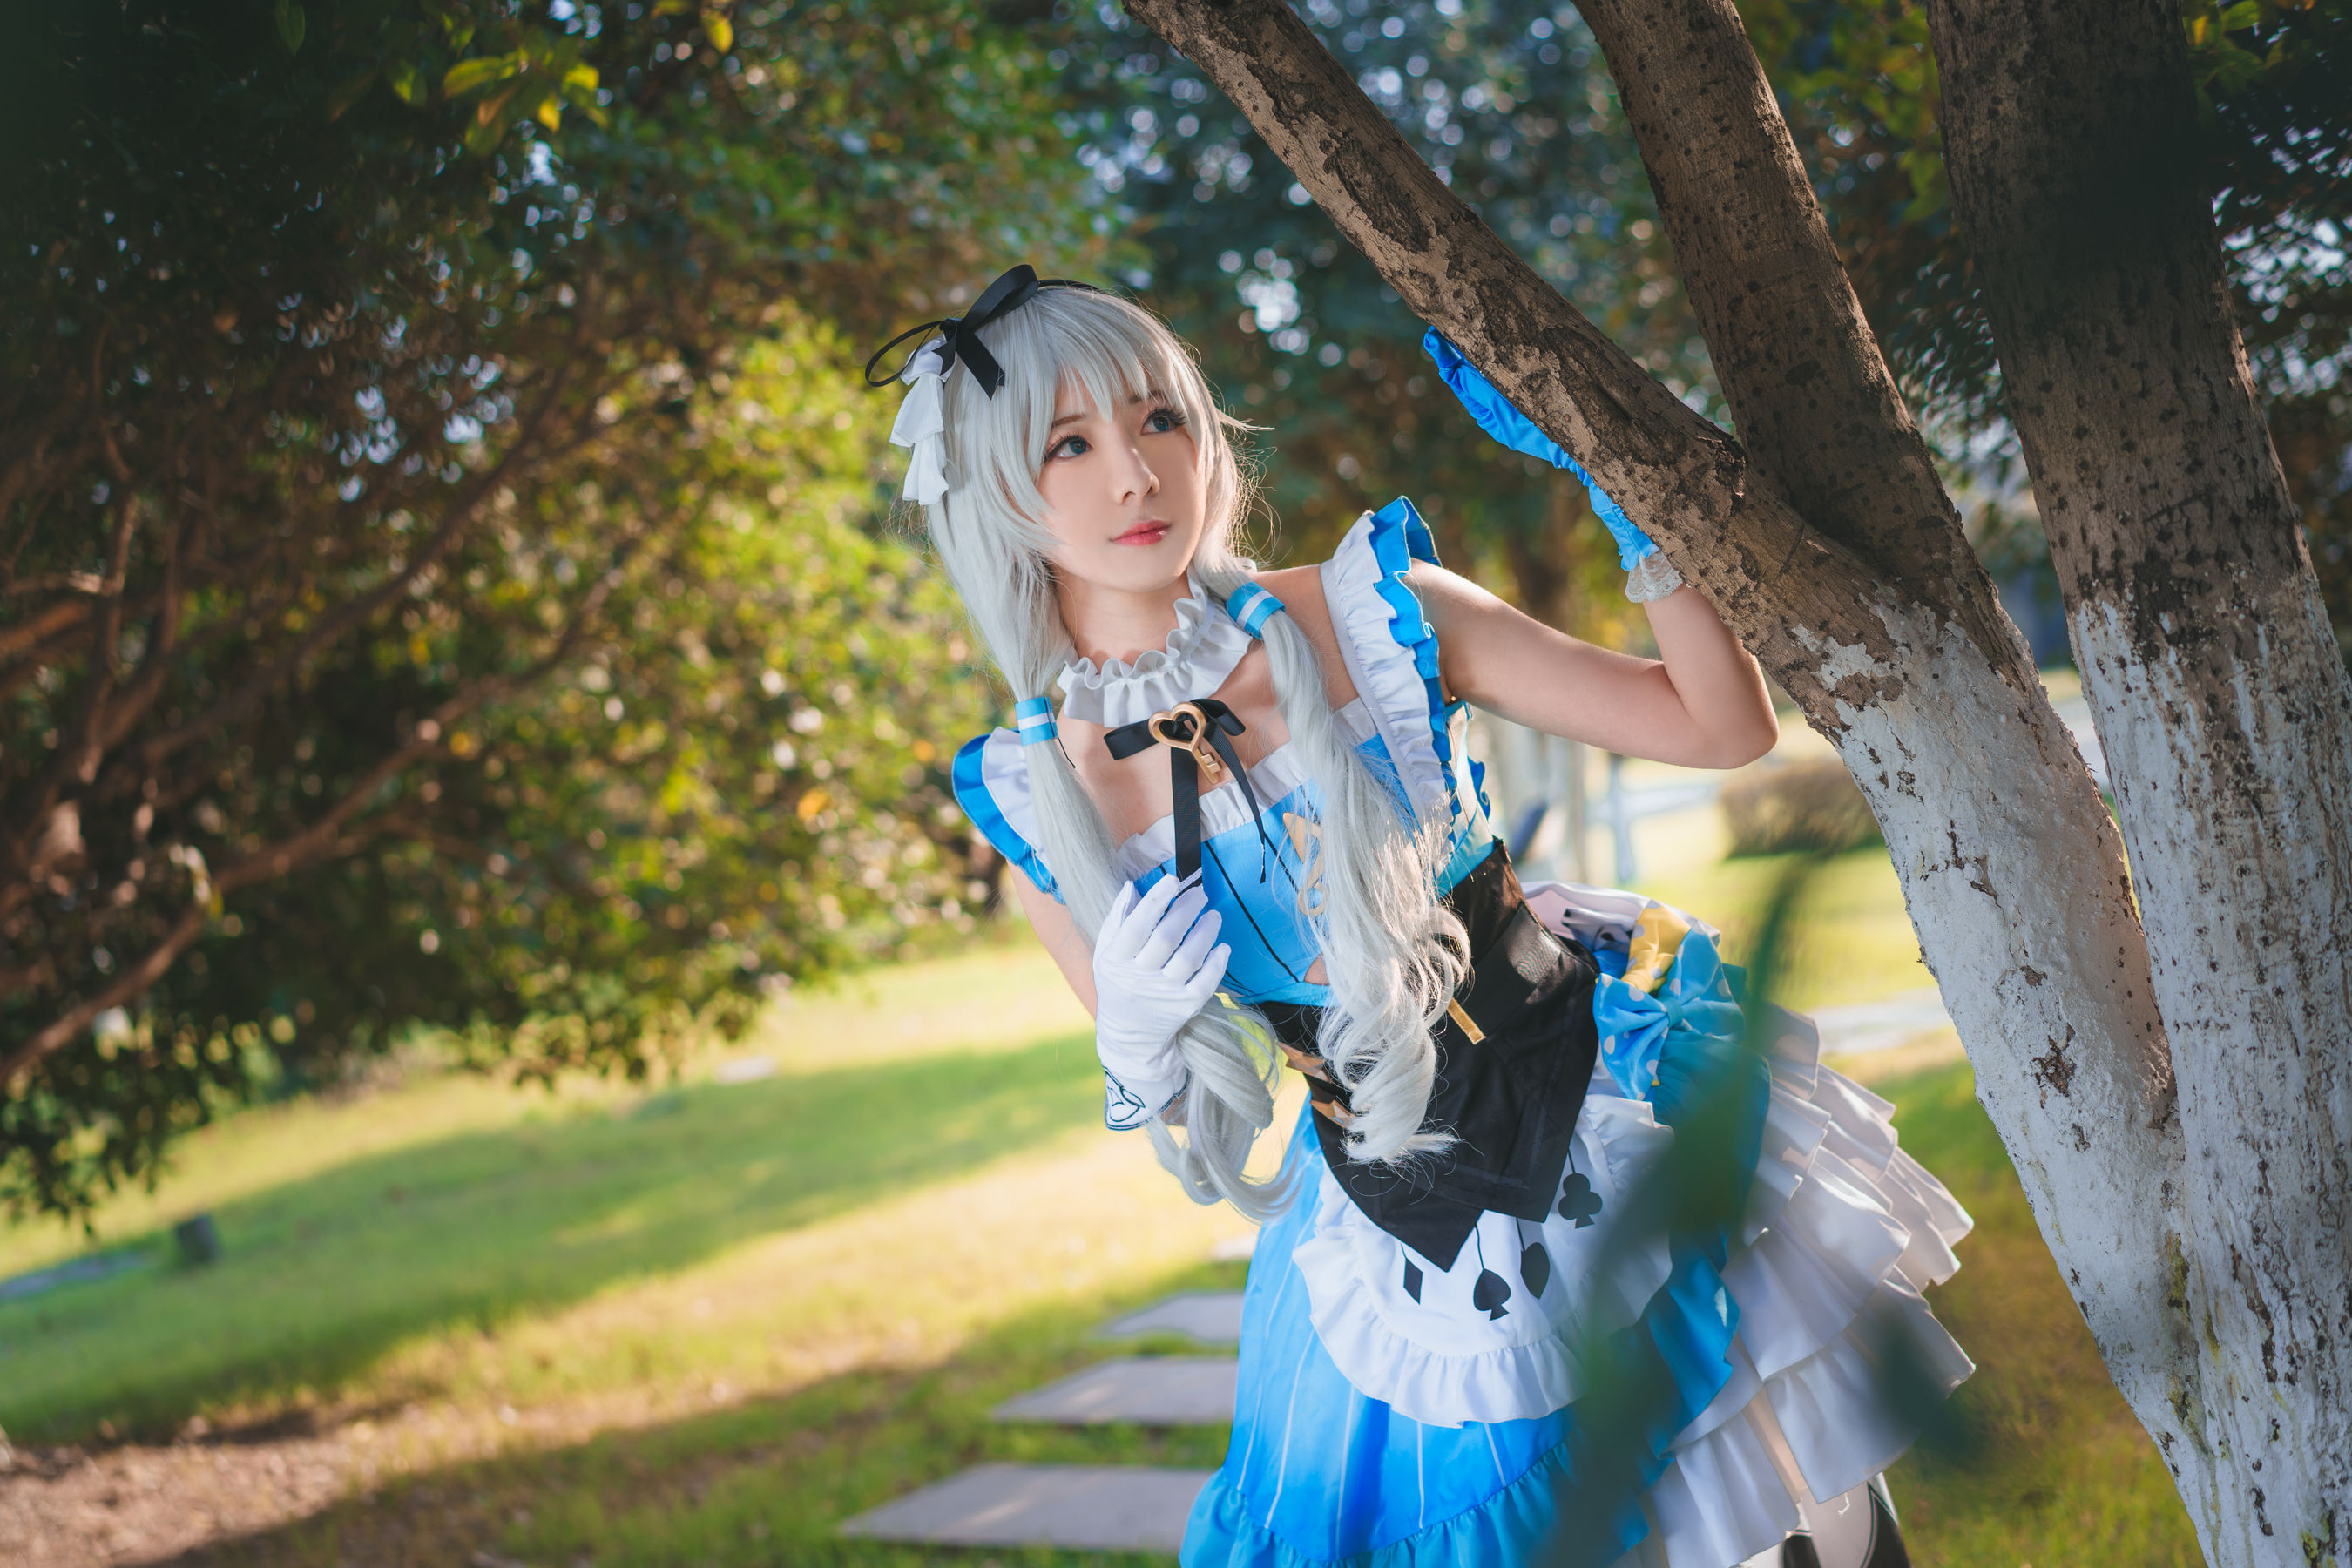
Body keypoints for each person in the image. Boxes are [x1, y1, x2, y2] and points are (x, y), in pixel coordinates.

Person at [867, 265, 1974, 1568]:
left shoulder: (1375, 613)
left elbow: (1721, 727)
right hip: (1388, 1236)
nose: (1136, 475)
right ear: (997, 489)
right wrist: (1135, 1048)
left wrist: (1628, 494)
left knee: (1802, 1529)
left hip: (1607, 1106)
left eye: (1159, 417)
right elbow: (1184, 1114)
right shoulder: (1037, 799)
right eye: (1071, 444)